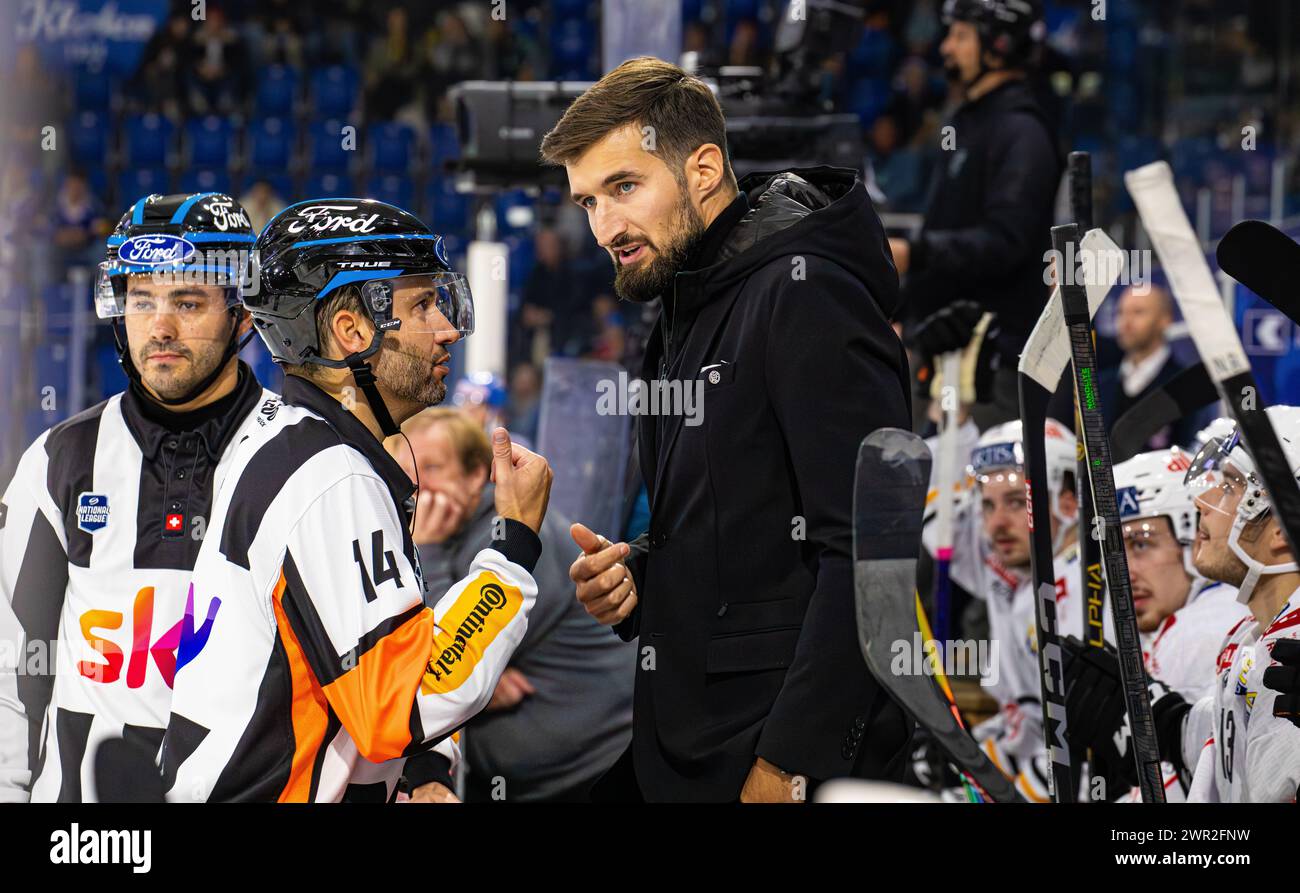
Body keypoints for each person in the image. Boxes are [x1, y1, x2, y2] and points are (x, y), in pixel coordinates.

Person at [542, 56, 912, 802]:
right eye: (587, 202)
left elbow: (874, 552)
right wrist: (639, 576)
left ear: (703, 168)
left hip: (778, 762)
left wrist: (790, 762)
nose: (606, 226)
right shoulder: (689, 303)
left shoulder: (806, 293)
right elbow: (753, 529)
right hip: (689, 750)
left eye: (624, 187)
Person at [159, 199, 553, 802]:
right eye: (421, 305)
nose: (447, 327)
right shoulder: (330, 478)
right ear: (351, 331)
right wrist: (514, 542)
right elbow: (405, 701)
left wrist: (421, 771)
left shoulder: (287, 443)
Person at [0, 192, 267, 801]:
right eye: (141, 300)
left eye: (188, 302)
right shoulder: (58, 459)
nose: (160, 327)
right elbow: (11, 672)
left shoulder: (299, 460)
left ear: (243, 315)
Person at [393, 409, 634, 802]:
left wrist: (428, 549)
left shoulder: (513, 534)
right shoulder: (457, 534)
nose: (418, 486)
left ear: (475, 477)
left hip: (598, 773)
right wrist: (481, 683)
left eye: (433, 468)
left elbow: (441, 657)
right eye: (409, 473)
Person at [1067, 408, 1300, 802]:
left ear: (1279, 528)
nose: (1202, 501)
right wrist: (1159, 723)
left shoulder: (1292, 658)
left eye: (1229, 486)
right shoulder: (1248, 640)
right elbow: (1215, 740)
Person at [892, 0, 1060, 428]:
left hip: (990, 367)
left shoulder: (1022, 131)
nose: (946, 47)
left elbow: (1006, 242)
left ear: (999, 45)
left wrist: (916, 253)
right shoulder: (969, 121)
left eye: (961, 36)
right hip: (939, 350)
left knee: (975, 492)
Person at [1065, 447, 1249, 801]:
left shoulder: (1203, 628)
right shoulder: (1180, 620)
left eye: (1141, 544)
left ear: (1192, 537)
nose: (1123, 571)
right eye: (1113, 550)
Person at [922, 418, 1085, 801]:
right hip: (1019, 755)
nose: (997, 524)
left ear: (1068, 501)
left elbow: (1077, 752)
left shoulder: (1080, 593)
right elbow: (940, 523)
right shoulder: (1010, 569)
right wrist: (956, 424)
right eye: (989, 505)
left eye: (1016, 502)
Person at [1096, 285, 1195, 450]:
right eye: (1120, 312)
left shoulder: (1185, 385)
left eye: (1138, 312)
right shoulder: (1100, 384)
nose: (1126, 322)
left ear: (1165, 319)